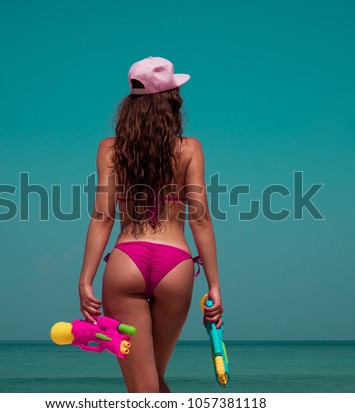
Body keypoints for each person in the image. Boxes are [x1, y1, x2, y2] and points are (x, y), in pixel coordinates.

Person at [77, 56, 223, 393]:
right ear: (171, 100)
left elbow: (103, 216)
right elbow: (200, 218)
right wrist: (214, 285)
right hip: (176, 266)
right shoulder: (189, 149)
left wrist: (85, 279)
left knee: (144, 390)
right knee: (152, 383)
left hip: (126, 261)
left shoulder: (110, 150)